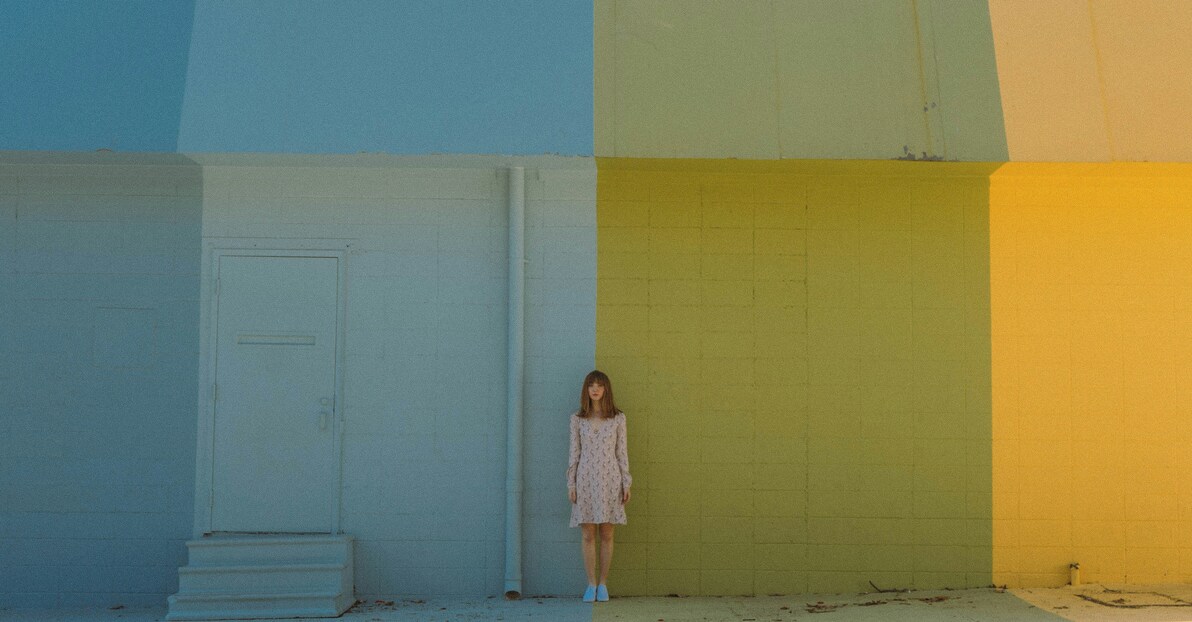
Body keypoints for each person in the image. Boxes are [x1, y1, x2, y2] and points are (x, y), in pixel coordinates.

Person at [567, 369, 632, 603]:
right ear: (586, 389)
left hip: (610, 480)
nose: (595, 389)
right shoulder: (577, 419)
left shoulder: (618, 418)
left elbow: (621, 452)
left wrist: (626, 482)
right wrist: (571, 483)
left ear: (606, 389)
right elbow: (574, 453)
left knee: (606, 533)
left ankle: (603, 584)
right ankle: (591, 584)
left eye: (599, 385)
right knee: (587, 534)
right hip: (585, 479)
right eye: (591, 385)